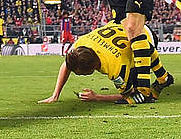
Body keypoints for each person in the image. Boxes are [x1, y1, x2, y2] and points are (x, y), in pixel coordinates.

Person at [37, 22, 173, 105]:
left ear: (91, 69)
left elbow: (127, 94)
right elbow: (67, 64)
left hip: (145, 38)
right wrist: (55, 94)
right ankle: (163, 78)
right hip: (131, 23)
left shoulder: (116, 67)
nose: (78, 75)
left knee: (139, 92)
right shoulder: (81, 44)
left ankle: (163, 78)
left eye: (80, 73)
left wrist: (97, 97)